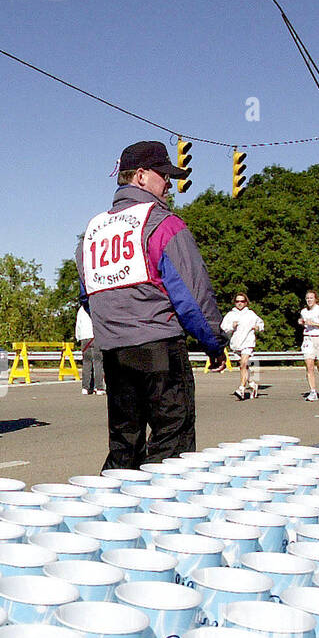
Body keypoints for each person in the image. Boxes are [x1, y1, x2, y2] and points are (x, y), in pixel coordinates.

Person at [74, 141, 226, 469]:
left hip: (114, 354)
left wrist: (117, 325)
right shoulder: (162, 223)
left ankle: (113, 512)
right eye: (164, 175)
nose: (169, 183)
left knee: (124, 443)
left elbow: (89, 298)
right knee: (172, 443)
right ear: (141, 176)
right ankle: (160, 513)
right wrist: (213, 344)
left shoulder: (92, 232)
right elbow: (193, 299)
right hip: (160, 349)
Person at [221, 291, 265, 400]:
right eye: (237, 301)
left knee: (243, 364)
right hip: (236, 344)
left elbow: (261, 323)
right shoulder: (231, 315)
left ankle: (241, 388)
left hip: (248, 342)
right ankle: (252, 383)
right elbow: (223, 327)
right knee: (244, 366)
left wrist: (258, 327)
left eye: (242, 301)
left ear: (246, 302)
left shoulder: (250, 314)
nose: (239, 303)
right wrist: (232, 325)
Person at [75, 303, 105, 395]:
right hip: (95, 336)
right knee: (98, 362)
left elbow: (78, 324)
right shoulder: (98, 306)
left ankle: (86, 387)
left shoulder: (81, 309)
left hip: (84, 338)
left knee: (86, 363)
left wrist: (78, 337)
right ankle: (99, 388)